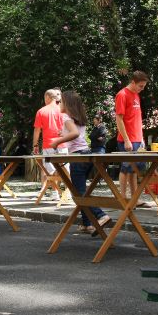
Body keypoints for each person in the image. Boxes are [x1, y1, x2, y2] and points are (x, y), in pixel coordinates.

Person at [49, 91, 111, 234]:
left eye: (61, 102)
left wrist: (57, 141)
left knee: (79, 192)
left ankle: (101, 215)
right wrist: (64, 134)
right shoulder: (78, 118)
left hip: (78, 157)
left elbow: (74, 134)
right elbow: (76, 134)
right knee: (82, 190)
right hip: (86, 155)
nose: (59, 105)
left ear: (68, 104)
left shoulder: (65, 117)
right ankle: (86, 223)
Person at [115, 71, 148, 202]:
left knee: (134, 170)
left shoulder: (136, 95)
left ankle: (135, 198)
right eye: (140, 86)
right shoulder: (122, 95)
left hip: (137, 138)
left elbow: (137, 118)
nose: (142, 89)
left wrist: (142, 139)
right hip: (127, 139)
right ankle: (122, 197)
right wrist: (127, 140)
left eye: (144, 86)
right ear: (133, 82)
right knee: (125, 167)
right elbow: (119, 118)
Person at [32, 89, 66, 201]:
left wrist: (35, 145)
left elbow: (37, 130)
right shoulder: (63, 110)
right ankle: (68, 192)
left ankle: (55, 193)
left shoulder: (41, 111)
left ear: (47, 97)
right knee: (65, 169)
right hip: (63, 143)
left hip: (48, 145)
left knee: (50, 171)